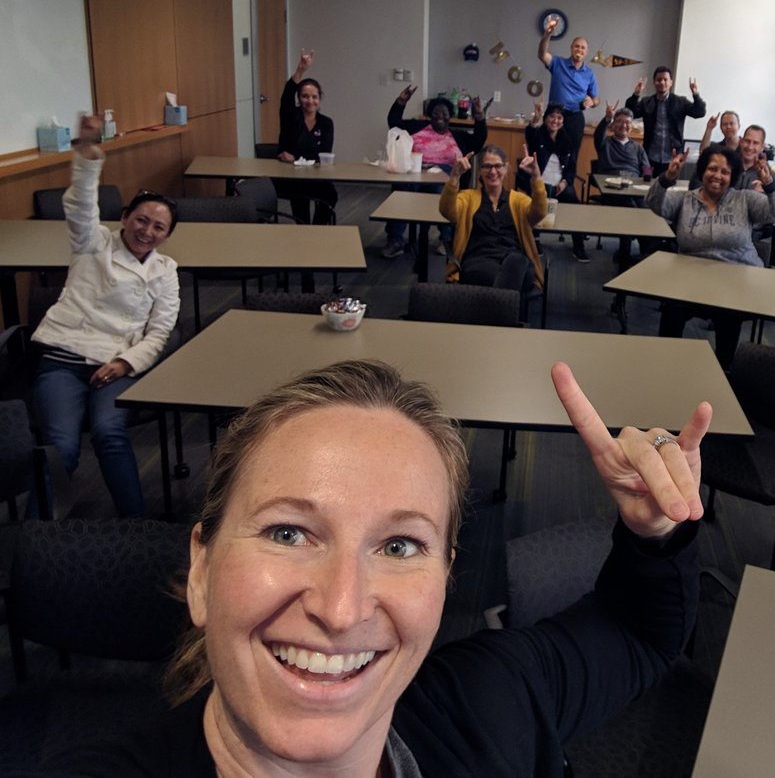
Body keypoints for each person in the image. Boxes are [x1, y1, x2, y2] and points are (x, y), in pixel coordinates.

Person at [55, 357, 709, 776]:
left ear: (447, 576)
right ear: (201, 571)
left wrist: (652, 533)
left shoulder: (495, 700)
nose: (341, 609)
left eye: (399, 547)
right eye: (288, 532)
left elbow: (640, 633)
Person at [30, 115, 180, 518]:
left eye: (158, 227)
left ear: (167, 236)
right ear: (126, 217)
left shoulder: (166, 271)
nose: (147, 231)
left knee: (110, 433)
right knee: (61, 445)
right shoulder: (92, 243)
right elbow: (80, 204)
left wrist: (124, 363)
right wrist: (88, 157)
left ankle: (137, 528)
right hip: (62, 360)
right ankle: (37, 532)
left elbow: (161, 330)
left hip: (116, 364)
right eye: (141, 220)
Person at [646, 145, 775, 368]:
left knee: (729, 315)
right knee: (672, 308)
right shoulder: (685, 200)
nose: (718, 176)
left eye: (725, 172)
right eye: (713, 169)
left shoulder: (745, 200)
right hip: (690, 280)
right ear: (702, 171)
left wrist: (770, 184)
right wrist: (667, 178)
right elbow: (654, 203)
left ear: (732, 177)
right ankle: (665, 363)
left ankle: (724, 368)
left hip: (735, 281)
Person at [383, 85, 489, 258]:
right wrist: (401, 101)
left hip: (445, 177)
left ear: (450, 117)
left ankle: (446, 239)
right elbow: (394, 123)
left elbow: (479, 139)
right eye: (436, 113)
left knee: (442, 189)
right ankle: (395, 240)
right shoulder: (417, 127)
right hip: (415, 174)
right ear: (430, 115)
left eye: (445, 114)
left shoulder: (458, 136)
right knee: (401, 189)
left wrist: (479, 116)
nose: (440, 117)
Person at [439, 145, 548, 293]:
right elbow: (447, 211)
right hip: (479, 259)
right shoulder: (468, 198)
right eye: (487, 167)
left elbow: (540, 213)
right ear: (480, 171)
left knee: (520, 264)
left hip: (512, 257)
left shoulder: (518, 200)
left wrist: (536, 177)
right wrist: (454, 177)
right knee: (508, 277)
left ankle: (499, 306)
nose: (493, 172)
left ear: (506, 168)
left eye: (498, 166)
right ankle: (506, 309)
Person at [519, 101, 589, 262]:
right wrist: (535, 118)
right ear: (545, 119)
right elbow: (530, 133)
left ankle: (578, 245)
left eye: (559, 118)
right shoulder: (538, 135)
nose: (555, 120)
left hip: (560, 185)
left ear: (563, 121)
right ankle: (535, 240)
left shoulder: (567, 140)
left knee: (575, 204)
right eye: (552, 116)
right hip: (538, 184)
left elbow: (571, 169)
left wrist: (565, 182)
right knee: (535, 202)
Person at [275, 48, 338, 225]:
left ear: (319, 99)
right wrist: (300, 70)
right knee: (299, 197)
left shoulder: (326, 123)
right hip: (291, 176)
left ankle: (317, 230)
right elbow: (286, 96)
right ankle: (302, 231)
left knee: (330, 194)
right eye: (305, 96)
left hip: (316, 175)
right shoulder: (290, 117)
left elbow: (324, 155)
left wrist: (296, 157)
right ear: (299, 98)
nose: (310, 101)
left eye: (314, 97)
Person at [538, 16, 598, 163]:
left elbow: (596, 99)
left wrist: (592, 101)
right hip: (554, 115)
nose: (579, 49)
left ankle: (566, 184)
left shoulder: (589, 74)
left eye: (583, 47)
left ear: (587, 52)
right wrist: (547, 35)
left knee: (571, 156)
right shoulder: (558, 63)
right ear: (571, 48)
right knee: (546, 153)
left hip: (575, 118)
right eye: (577, 46)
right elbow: (542, 55)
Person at [625, 67, 706, 176]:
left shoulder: (680, 102)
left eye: (665, 79)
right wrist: (636, 94)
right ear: (654, 82)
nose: (662, 82)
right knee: (646, 186)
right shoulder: (647, 102)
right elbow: (630, 112)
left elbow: (699, 112)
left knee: (669, 189)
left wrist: (696, 95)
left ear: (671, 82)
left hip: (673, 158)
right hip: (649, 158)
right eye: (658, 80)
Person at [593, 102, 653, 178]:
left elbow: (647, 169)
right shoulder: (604, 143)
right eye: (619, 121)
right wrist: (607, 118)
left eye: (627, 122)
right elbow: (598, 134)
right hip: (609, 183)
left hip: (632, 184)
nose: (624, 126)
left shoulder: (638, 148)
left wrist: (646, 182)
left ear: (631, 127)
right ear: (613, 125)